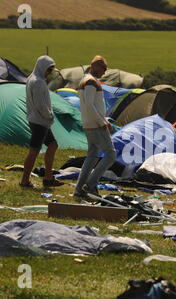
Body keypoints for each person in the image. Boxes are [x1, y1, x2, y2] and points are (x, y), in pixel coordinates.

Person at [74, 55, 116, 198]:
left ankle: (79, 189)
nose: (104, 72)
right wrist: (102, 122)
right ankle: (90, 185)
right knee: (110, 155)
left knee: (91, 157)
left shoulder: (83, 80)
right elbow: (90, 104)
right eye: (103, 68)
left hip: (88, 123)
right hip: (96, 125)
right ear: (96, 66)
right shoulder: (91, 82)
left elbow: (88, 105)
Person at [20, 56, 64, 188]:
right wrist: (49, 115)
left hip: (38, 120)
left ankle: (48, 178)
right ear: (42, 68)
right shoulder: (38, 82)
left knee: (52, 145)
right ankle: (24, 181)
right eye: (48, 70)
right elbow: (40, 104)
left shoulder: (31, 78)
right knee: (34, 151)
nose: (49, 73)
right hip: (40, 121)